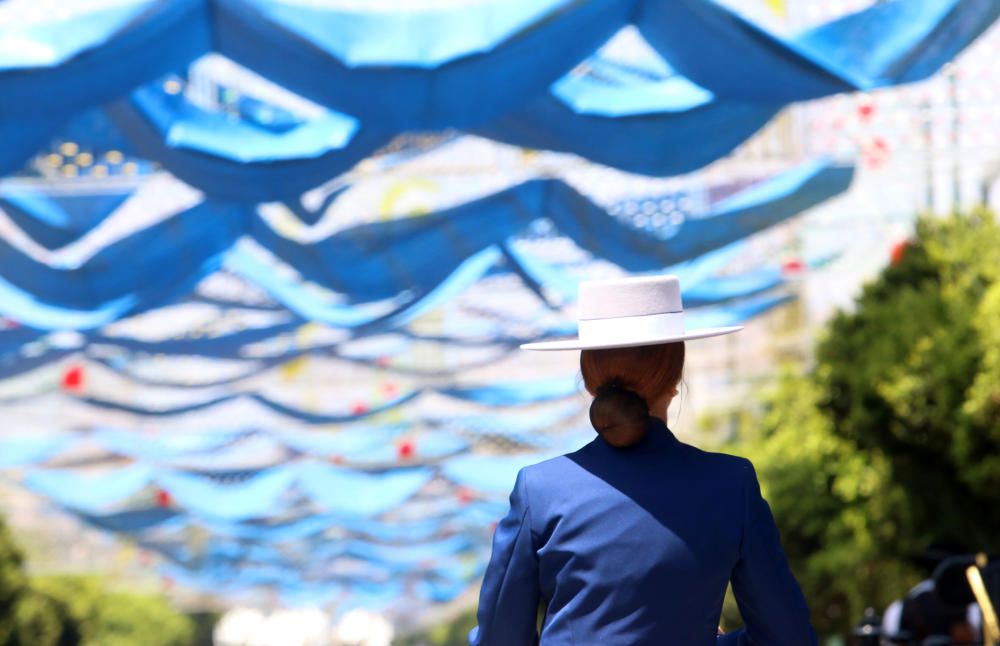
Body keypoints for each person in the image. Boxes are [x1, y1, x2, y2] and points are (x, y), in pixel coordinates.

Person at [469, 275, 816, 645]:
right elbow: (788, 637)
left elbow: (498, 638)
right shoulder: (732, 484)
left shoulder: (539, 490)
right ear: (675, 377)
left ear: (589, 380)